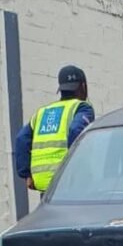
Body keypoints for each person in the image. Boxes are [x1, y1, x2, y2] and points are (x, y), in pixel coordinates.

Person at [14, 65, 95, 193]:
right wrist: (78, 170)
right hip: (68, 184)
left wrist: (27, 175)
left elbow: (21, 139)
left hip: (44, 185)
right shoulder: (82, 108)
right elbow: (76, 131)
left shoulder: (42, 112)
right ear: (83, 86)